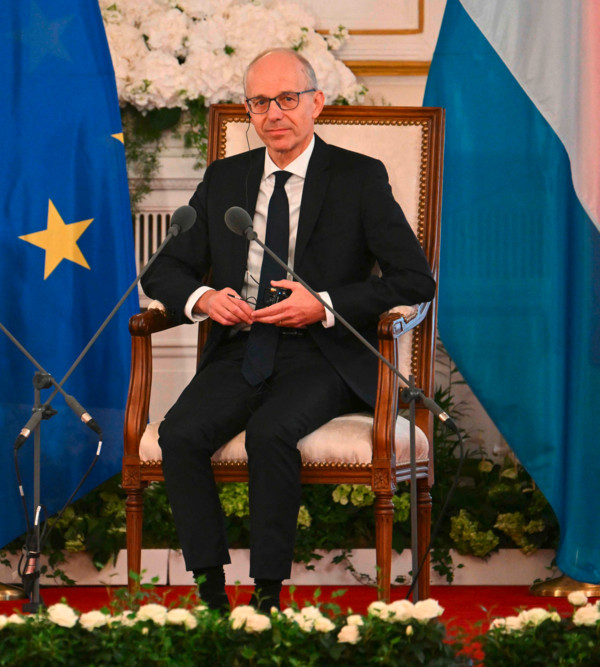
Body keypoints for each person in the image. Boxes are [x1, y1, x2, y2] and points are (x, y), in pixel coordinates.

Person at [141, 48, 436, 612]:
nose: (273, 113)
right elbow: (165, 269)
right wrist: (205, 299)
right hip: (243, 348)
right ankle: (211, 593)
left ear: (316, 103)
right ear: (249, 110)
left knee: (271, 433)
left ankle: (268, 596)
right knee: (180, 434)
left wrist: (323, 303)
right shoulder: (225, 178)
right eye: (259, 102)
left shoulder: (357, 177)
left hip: (322, 353)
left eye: (287, 99)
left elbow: (413, 279)